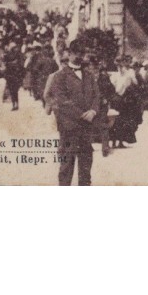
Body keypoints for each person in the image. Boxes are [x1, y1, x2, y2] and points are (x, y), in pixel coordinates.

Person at [44, 40, 100, 186]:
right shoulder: (60, 76)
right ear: (69, 54)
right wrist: (82, 115)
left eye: (82, 53)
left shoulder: (89, 75)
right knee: (66, 166)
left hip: (87, 127)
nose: (79, 57)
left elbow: (96, 96)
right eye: (76, 53)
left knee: (86, 166)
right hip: (69, 127)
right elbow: (62, 101)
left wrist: (93, 111)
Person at [111, 56, 142, 147]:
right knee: (118, 120)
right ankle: (116, 141)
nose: (121, 66)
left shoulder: (127, 73)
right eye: (119, 64)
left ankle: (119, 141)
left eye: (122, 64)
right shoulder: (116, 74)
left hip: (123, 99)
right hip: (120, 99)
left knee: (122, 120)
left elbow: (134, 83)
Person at [2, 40, 25, 111]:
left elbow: (21, 65)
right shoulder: (8, 55)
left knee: (14, 91)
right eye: (14, 48)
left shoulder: (18, 55)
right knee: (12, 91)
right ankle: (14, 104)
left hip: (15, 75)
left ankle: (16, 104)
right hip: (11, 75)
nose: (15, 49)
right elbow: (5, 64)